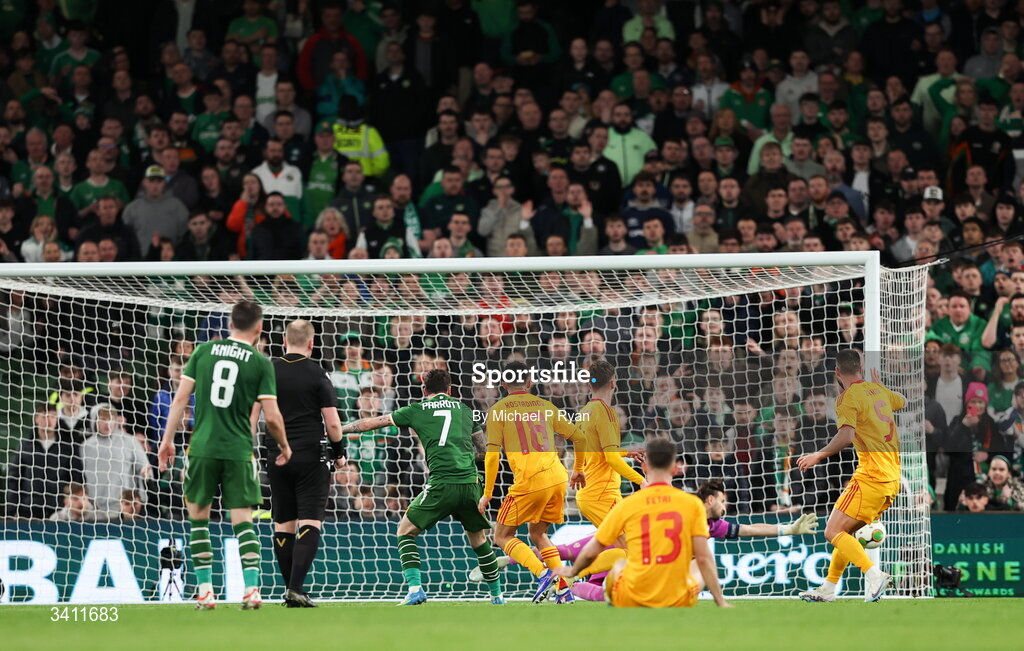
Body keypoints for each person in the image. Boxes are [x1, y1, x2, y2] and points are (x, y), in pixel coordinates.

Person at [157, 301, 291, 611]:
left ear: (231, 323)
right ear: (259, 328)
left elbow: (179, 400)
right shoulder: (260, 362)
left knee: (199, 521)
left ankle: (205, 591)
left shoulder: (203, 352)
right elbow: (271, 416)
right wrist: (284, 446)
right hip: (238, 450)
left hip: (202, 448)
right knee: (243, 522)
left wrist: (167, 441)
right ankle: (252, 590)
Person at [341, 368, 505, 606]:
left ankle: (416, 589)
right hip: (470, 483)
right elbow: (482, 452)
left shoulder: (416, 409)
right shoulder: (466, 410)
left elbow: (373, 423)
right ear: (450, 390)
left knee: (405, 532)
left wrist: (340, 429)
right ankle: (498, 596)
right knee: (479, 540)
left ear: (424, 390)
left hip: (441, 484)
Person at [554, 438, 732, 609]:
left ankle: (590, 589)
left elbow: (593, 548)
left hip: (631, 594)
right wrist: (720, 601)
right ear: (674, 468)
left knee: (620, 564)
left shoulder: (627, 504)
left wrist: (573, 571)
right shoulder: (692, 504)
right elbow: (703, 558)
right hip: (676, 597)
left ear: (645, 466)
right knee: (696, 567)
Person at [797, 350, 905, 602]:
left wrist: (818, 455)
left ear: (837, 372)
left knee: (831, 531)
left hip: (871, 476)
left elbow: (846, 435)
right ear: (861, 366)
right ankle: (828, 588)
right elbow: (902, 401)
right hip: (891, 479)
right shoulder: (878, 391)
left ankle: (875, 575)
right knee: (843, 532)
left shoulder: (847, 398)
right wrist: (880, 387)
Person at [479, 360, 586, 604]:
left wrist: (487, 493)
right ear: (529, 382)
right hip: (558, 477)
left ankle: (543, 574)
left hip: (530, 481)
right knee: (538, 532)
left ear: (504, 384)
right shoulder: (546, 406)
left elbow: (492, 455)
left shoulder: (498, 410)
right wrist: (578, 469)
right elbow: (580, 438)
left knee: (502, 536)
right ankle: (563, 588)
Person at [262, 320, 348, 608]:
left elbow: (254, 412)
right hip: (310, 456)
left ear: (284, 341)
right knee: (309, 520)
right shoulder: (317, 372)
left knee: (283, 522)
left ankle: (290, 590)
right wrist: (339, 451)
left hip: (275, 454)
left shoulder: (268, 370)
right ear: (311, 344)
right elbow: (333, 423)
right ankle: (296, 588)